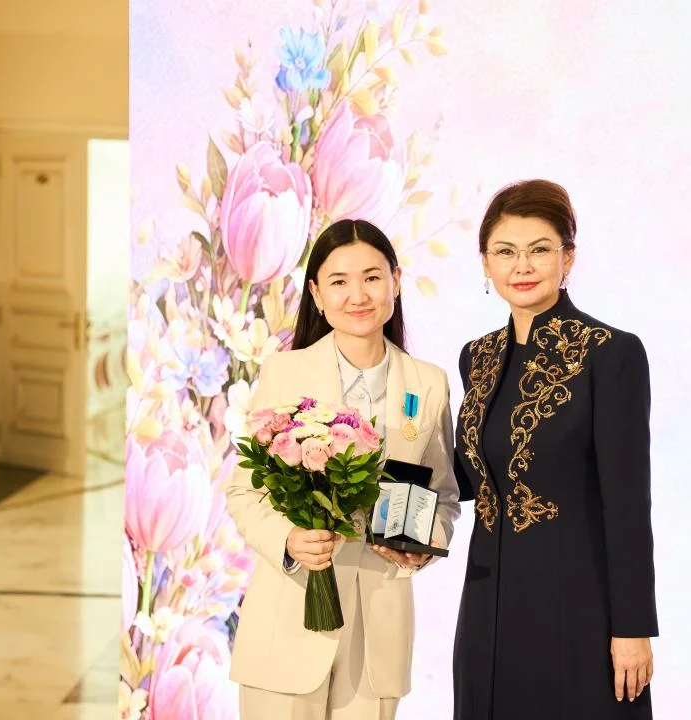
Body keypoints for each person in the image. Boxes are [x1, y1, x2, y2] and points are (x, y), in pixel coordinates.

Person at [225, 218, 460, 719]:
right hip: (288, 619)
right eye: (339, 281)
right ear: (316, 293)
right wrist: (289, 540)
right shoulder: (284, 372)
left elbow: (443, 494)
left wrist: (423, 545)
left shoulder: (428, 383)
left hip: (378, 631)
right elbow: (244, 492)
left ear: (396, 282)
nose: (358, 295)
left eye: (372, 277)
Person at [452, 180, 658, 719]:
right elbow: (471, 475)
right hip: (488, 606)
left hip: (577, 607)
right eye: (505, 251)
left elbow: (628, 505)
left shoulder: (609, 354)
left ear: (568, 258)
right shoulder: (477, 357)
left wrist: (633, 628)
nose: (522, 266)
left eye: (539, 249)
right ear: (485, 263)